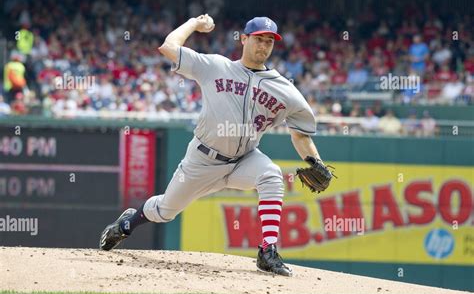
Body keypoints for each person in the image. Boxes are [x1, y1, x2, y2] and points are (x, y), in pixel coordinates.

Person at [99, 15, 330, 277]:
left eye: (269, 41)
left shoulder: (285, 89)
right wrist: (194, 24)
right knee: (165, 210)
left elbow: (300, 135)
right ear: (244, 39)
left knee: (272, 176)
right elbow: (168, 47)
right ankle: (128, 222)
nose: (263, 46)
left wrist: (316, 162)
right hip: (202, 160)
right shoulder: (216, 66)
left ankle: (268, 250)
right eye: (258, 39)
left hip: (244, 159)